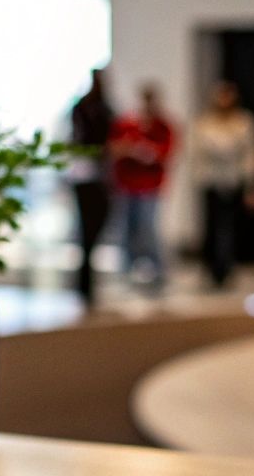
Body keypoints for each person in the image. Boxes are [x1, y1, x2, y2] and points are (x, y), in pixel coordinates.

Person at [191, 80, 254, 288]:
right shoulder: (204, 124)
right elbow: (196, 154)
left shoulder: (244, 122)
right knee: (212, 227)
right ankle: (212, 269)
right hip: (212, 181)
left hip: (235, 181)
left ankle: (229, 267)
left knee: (231, 228)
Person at [109, 82, 177, 291]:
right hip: (127, 184)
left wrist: (147, 152)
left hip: (150, 186)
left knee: (148, 228)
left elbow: (166, 154)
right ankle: (128, 271)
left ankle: (159, 270)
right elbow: (113, 149)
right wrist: (130, 149)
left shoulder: (164, 126)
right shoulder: (127, 124)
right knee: (126, 229)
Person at [67, 68, 114, 306]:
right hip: (86, 174)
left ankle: (86, 280)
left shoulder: (102, 108)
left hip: (95, 175)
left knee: (93, 228)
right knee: (88, 228)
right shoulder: (84, 109)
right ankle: (84, 282)